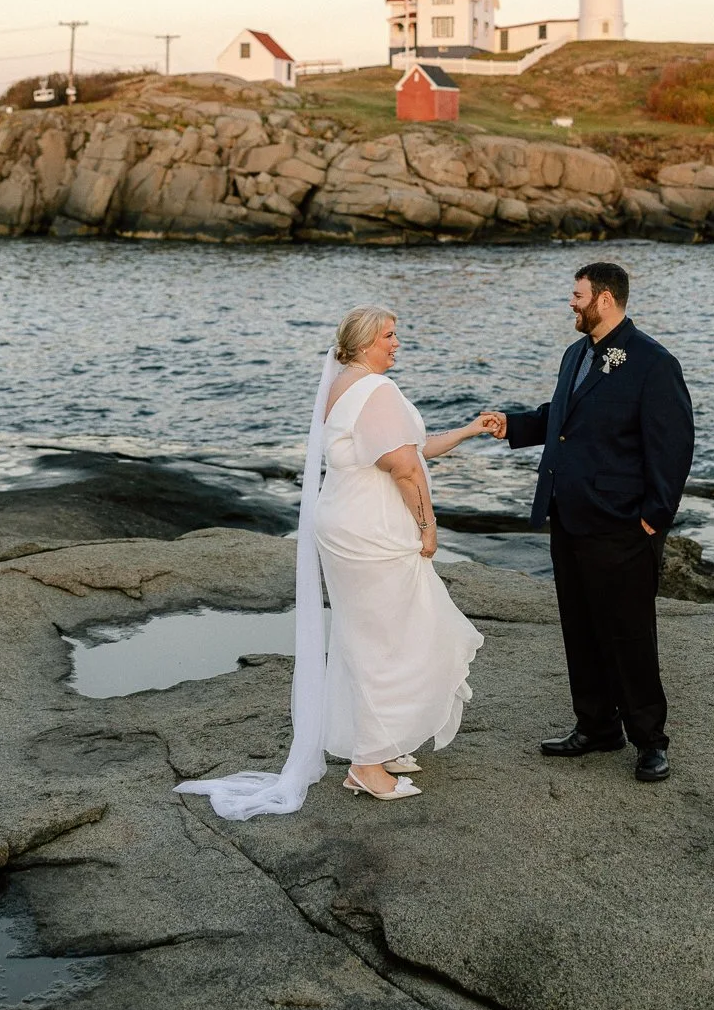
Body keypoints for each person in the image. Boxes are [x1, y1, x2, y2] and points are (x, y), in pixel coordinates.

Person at [177, 306, 492, 819]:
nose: (397, 343)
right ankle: (367, 764)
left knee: (370, 635)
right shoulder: (376, 390)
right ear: (365, 342)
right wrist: (428, 526)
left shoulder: (344, 385)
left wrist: (470, 429)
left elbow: (415, 448)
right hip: (372, 533)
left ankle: (381, 742)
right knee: (393, 638)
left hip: (347, 524)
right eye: (389, 335)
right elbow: (404, 466)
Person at [483, 262, 694, 782]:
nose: (571, 304)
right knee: (580, 629)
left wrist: (653, 519)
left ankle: (650, 740)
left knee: (629, 636)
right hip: (569, 516)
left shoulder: (653, 363)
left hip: (622, 525)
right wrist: (513, 425)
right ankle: (597, 726)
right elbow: (562, 416)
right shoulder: (575, 354)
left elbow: (673, 447)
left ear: (603, 299)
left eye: (577, 295)